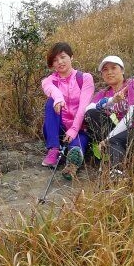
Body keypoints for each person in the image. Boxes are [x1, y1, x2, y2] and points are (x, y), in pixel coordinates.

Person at [84, 55, 134, 176]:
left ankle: (114, 168)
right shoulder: (104, 93)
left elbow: (132, 116)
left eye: (113, 68)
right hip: (118, 133)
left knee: (114, 140)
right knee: (92, 114)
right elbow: (88, 109)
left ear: (122, 70)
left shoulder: (133, 84)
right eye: (105, 70)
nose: (109, 72)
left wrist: (108, 138)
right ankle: (115, 169)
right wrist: (111, 101)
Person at [40, 42, 95, 172]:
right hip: (58, 128)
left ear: (71, 57)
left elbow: (83, 106)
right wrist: (58, 99)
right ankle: (54, 149)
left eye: (63, 57)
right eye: (55, 60)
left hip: (80, 127)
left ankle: (71, 165)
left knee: (76, 147)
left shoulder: (85, 78)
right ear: (52, 64)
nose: (60, 62)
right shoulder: (49, 80)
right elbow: (51, 90)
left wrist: (74, 129)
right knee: (50, 102)